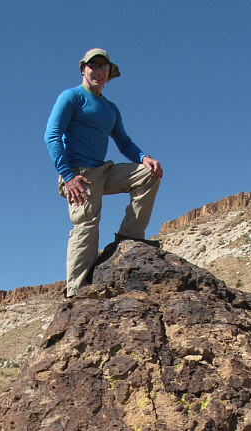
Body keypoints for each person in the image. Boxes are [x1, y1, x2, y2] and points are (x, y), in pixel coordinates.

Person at [45, 48, 163, 298]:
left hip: (103, 170)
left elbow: (124, 142)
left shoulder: (111, 109)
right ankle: (76, 292)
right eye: (93, 66)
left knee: (148, 175)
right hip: (79, 174)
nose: (98, 71)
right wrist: (68, 176)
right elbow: (52, 135)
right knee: (87, 223)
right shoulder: (72, 97)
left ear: (109, 73)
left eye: (103, 67)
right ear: (83, 69)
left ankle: (129, 238)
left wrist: (144, 158)